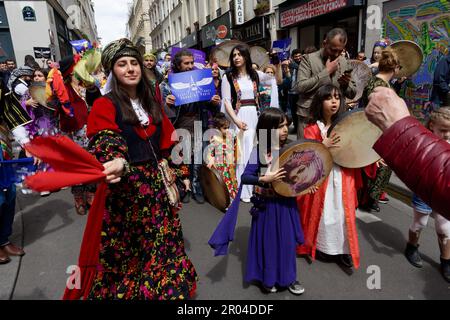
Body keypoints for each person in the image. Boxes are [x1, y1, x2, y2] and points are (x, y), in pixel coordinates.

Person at [80, 38, 197, 299]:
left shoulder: (152, 104)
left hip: (157, 191)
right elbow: (106, 138)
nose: (131, 68)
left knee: (163, 247)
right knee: (131, 253)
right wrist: (117, 160)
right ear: (113, 71)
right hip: (126, 194)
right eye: (122, 64)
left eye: (134, 63)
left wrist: (182, 174)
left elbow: (170, 141)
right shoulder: (104, 104)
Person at [209, 108, 305, 295]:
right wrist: (264, 179)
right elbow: (245, 177)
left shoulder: (293, 149)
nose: (285, 129)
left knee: (286, 243)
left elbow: (300, 177)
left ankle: (289, 278)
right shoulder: (260, 151)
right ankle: (268, 279)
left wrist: (308, 185)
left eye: (286, 125)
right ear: (268, 129)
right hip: (266, 207)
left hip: (286, 205)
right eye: (279, 126)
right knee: (269, 244)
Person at [297, 84, 361, 271]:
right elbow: (305, 156)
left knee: (343, 214)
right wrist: (321, 144)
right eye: (328, 98)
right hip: (322, 176)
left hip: (342, 174)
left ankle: (343, 251)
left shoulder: (347, 124)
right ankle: (322, 246)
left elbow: (356, 148)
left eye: (337, 97)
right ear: (320, 101)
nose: (334, 101)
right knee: (323, 214)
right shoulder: (311, 128)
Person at [365, 87, 450, 220]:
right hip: (426, 194)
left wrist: (401, 129)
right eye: (444, 130)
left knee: (443, 231)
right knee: (419, 223)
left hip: (434, 195)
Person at [221, 44, 279, 203]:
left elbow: (274, 78)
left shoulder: (255, 75)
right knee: (242, 151)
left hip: (255, 115)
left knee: (255, 150)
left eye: (239, 54)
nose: (236, 58)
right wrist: (237, 121)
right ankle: (242, 188)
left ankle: (254, 186)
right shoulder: (228, 77)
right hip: (240, 116)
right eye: (234, 55)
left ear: (246, 56)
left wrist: (276, 61)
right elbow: (226, 101)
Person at [164, 49, 221, 204]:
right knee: (183, 157)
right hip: (180, 124)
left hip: (198, 122)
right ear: (178, 64)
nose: (190, 66)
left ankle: (196, 187)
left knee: (198, 156)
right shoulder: (168, 84)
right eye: (186, 63)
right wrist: (167, 103)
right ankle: (184, 186)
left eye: (191, 63)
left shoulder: (201, 78)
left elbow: (212, 107)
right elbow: (162, 111)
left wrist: (215, 102)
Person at [403, 107, 450, 282]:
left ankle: (446, 261)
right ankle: (411, 247)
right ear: (432, 126)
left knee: (445, 229)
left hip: (445, 193)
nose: (447, 135)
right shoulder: (425, 143)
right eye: (443, 130)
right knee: (419, 223)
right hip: (424, 191)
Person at [359, 48, 403, 212]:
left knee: (375, 166)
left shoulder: (377, 82)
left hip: (373, 130)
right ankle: (369, 199)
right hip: (376, 132)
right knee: (379, 166)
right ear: (395, 67)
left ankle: (369, 198)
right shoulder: (381, 87)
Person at [295, 28, 356, 139]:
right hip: (309, 118)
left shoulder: (344, 62)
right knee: (307, 153)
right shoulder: (308, 60)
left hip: (334, 120)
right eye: (333, 50)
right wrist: (326, 72)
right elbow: (300, 87)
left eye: (340, 51)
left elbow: (352, 94)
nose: (336, 54)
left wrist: (345, 85)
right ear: (324, 43)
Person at [206, 112, 238, 202]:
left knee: (231, 180)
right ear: (218, 129)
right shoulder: (214, 138)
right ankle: (224, 199)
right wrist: (211, 159)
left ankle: (232, 197)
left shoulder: (230, 137)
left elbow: (233, 148)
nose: (227, 130)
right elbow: (211, 151)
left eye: (228, 128)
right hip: (220, 164)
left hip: (229, 163)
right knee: (223, 182)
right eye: (224, 128)